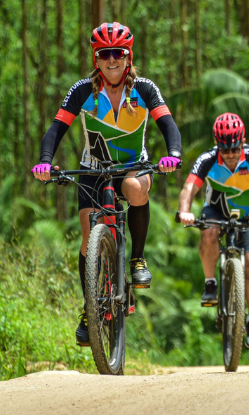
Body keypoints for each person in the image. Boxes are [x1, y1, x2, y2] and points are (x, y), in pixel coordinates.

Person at [31, 22, 182, 346]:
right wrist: (45, 161)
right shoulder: (83, 90)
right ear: (95, 58)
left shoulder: (144, 89)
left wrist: (173, 154)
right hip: (93, 168)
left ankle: (137, 258)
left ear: (128, 57)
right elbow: (56, 129)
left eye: (118, 53)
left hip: (133, 166)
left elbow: (167, 124)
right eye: (104, 54)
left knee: (135, 190)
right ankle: (90, 308)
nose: (111, 60)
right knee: (88, 239)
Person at [177, 113, 249, 351]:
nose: (229, 155)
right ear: (217, 145)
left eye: (234, 149)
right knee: (207, 233)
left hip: (248, 215)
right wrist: (184, 211)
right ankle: (210, 284)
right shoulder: (207, 159)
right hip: (215, 212)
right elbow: (189, 187)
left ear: (242, 142)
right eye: (224, 150)